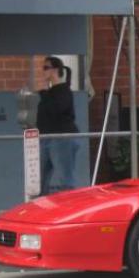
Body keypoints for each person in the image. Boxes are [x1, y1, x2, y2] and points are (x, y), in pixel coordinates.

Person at [37, 56, 79, 195]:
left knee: (64, 178)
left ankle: (68, 207)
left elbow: (56, 110)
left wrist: (43, 92)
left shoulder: (63, 91)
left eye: (46, 68)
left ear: (55, 70)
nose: (43, 72)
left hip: (62, 138)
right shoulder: (49, 93)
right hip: (45, 138)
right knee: (40, 178)